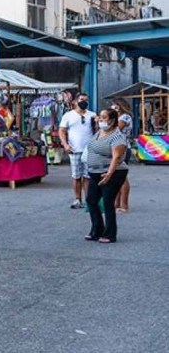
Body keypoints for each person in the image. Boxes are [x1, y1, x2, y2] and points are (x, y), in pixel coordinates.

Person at [84, 108, 128, 243]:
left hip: (113, 173)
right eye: (100, 117)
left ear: (112, 120)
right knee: (91, 200)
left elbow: (116, 157)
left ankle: (110, 234)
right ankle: (97, 230)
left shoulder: (117, 137)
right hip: (95, 173)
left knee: (108, 202)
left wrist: (109, 174)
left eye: (104, 117)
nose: (101, 119)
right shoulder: (99, 132)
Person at [59, 93, 96, 209]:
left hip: (89, 149)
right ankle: (77, 199)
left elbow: (98, 129)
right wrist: (65, 145)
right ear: (75, 101)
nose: (83, 102)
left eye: (85, 100)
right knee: (76, 175)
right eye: (81, 99)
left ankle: (88, 199)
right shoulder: (68, 115)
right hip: (74, 149)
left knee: (87, 176)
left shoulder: (92, 115)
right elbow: (62, 131)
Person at [111, 99, 133, 213]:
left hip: (122, 147)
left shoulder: (124, 117)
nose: (112, 107)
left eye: (114, 105)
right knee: (116, 176)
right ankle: (117, 203)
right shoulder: (120, 117)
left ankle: (124, 204)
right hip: (117, 147)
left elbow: (116, 129)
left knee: (122, 176)